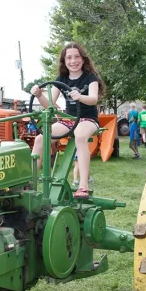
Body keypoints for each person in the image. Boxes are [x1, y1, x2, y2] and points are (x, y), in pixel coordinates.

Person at [31, 41, 104, 199]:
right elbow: (50, 104)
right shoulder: (61, 79)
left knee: (80, 136)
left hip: (87, 119)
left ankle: (83, 185)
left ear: (83, 59)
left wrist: (80, 96)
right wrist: (38, 95)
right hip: (68, 120)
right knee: (40, 138)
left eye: (77, 57)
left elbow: (93, 99)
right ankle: (29, 183)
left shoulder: (91, 77)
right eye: (69, 57)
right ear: (64, 61)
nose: (73, 61)